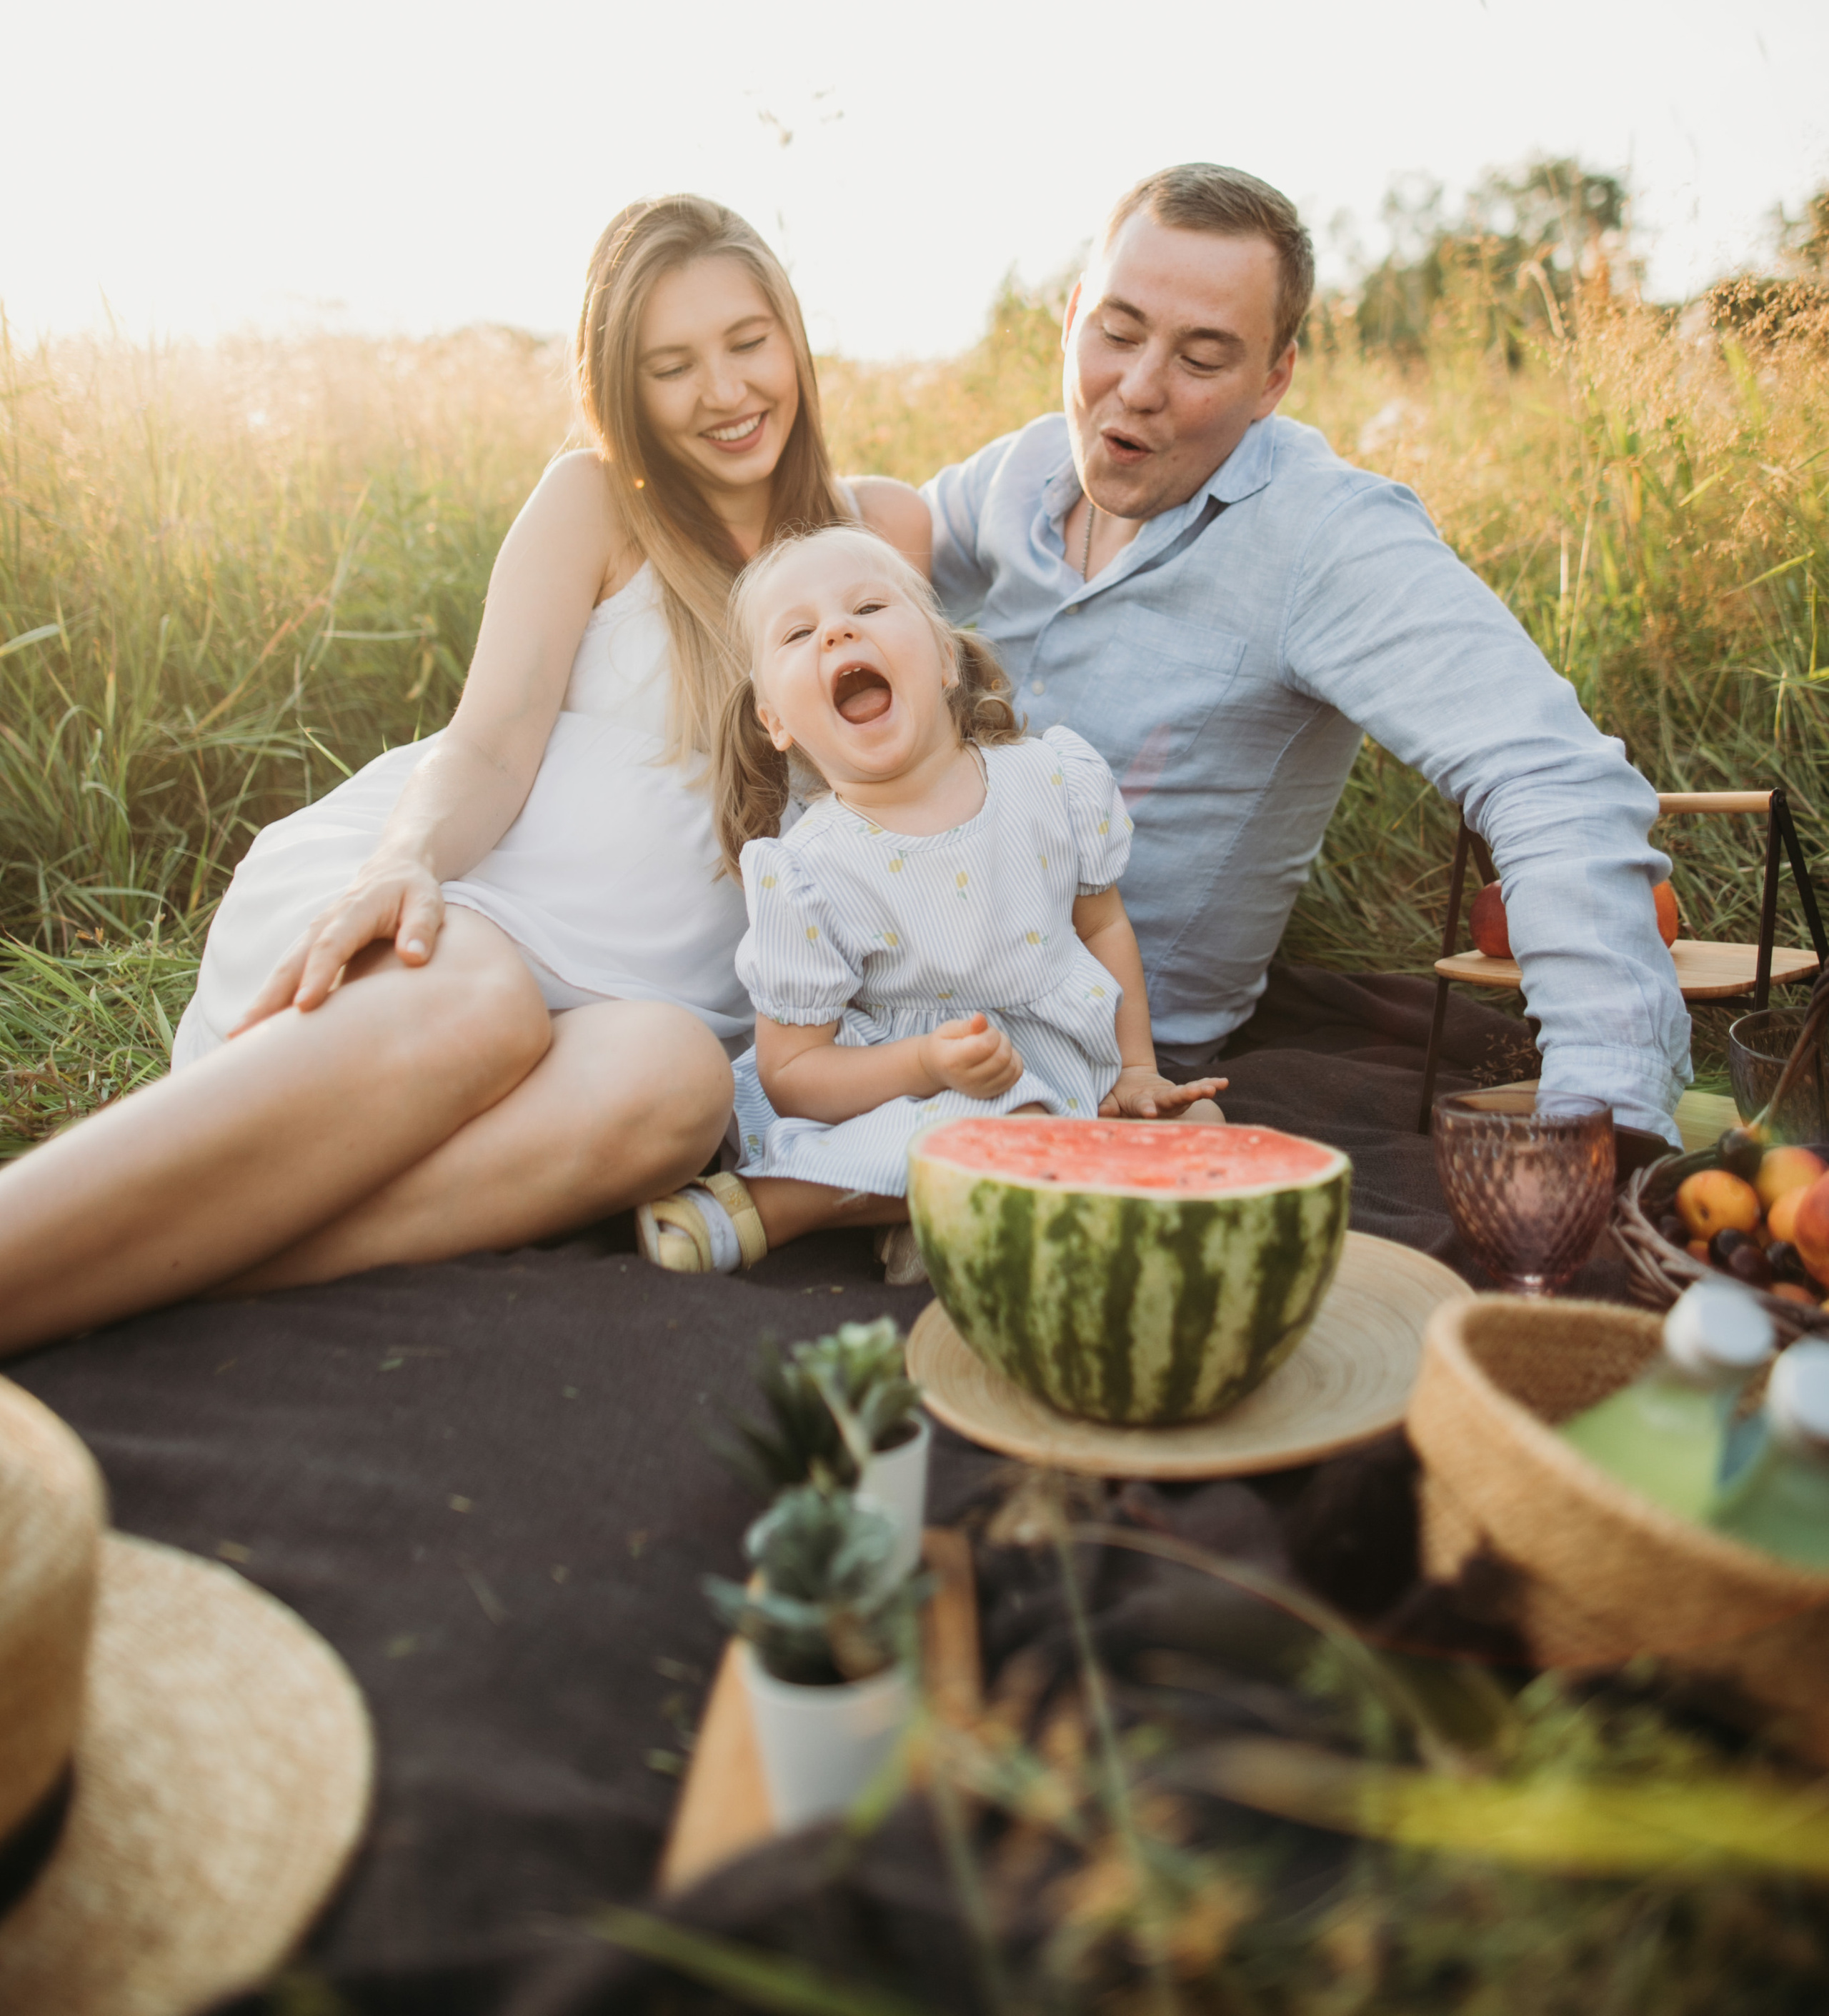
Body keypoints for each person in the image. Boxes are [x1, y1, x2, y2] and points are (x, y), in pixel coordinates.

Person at [0, 198, 924, 1357]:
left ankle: (179, 1273)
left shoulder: (882, 531)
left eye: (747, 343)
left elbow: (917, 775)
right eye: (671, 365)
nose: (726, 392)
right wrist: (406, 865)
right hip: (482, 896)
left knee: (681, 1090)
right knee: (480, 1000)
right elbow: (487, 744)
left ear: (792, 335)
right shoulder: (593, 502)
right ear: (621, 385)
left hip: (646, 1010)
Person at [907, 163, 1692, 1153]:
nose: (1139, 387)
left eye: (1202, 358)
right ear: (1072, 318)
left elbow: (1548, 775)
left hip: (1098, 1067)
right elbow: (859, 549)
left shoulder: (1326, 537)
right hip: (885, 993)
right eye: (1117, 331)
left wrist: (1605, 1117)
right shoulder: (1024, 473)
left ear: (1273, 379)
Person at [636, 525, 1224, 1272]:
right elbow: (792, 1076)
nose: (838, 630)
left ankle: (949, 1212)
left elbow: (1103, 927)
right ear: (774, 721)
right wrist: (927, 1065)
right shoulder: (812, 872)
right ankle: (783, 1207)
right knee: (1013, 1134)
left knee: (1203, 1122)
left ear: (946, 657)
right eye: (798, 632)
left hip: (1069, 1072)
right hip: (899, 1096)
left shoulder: (1049, 780)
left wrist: (1138, 1070)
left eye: (870, 606)